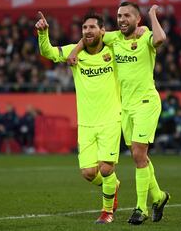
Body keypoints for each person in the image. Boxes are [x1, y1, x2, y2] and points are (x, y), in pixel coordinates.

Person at [68, 2, 170, 225]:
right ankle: (160, 197)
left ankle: (141, 209)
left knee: (137, 155)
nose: (122, 19)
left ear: (137, 19)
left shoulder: (146, 37)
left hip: (146, 102)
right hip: (126, 107)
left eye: (127, 16)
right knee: (139, 154)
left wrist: (152, 14)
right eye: (119, 16)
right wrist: (75, 51)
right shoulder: (114, 39)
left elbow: (161, 38)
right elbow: (89, 37)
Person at [36, 12, 121, 224]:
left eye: (93, 27)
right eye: (85, 28)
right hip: (86, 122)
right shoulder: (75, 53)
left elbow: (124, 38)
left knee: (106, 168)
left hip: (111, 118)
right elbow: (48, 52)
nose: (88, 31)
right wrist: (43, 33)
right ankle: (113, 186)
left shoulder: (114, 50)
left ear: (103, 30)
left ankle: (107, 212)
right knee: (89, 173)